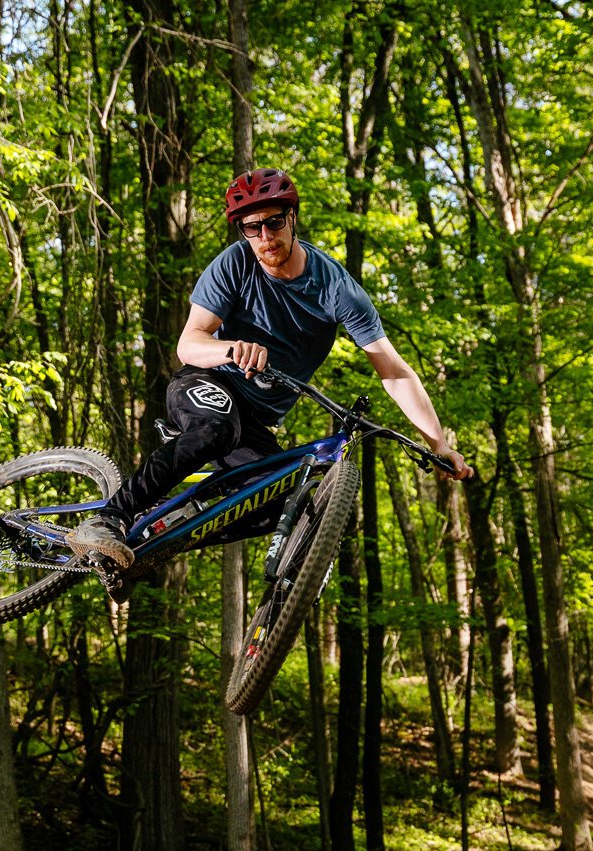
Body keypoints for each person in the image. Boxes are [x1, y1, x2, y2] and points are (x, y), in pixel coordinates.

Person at [66, 167, 472, 568]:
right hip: (205, 381)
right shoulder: (234, 264)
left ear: (292, 218)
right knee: (216, 428)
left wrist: (438, 444)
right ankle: (109, 518)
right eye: (251, 227)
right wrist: (231, 349)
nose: (265, 237)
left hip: (254, 421)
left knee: (276, 502)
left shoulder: (336, 288)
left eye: (274, 222)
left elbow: (395, 373)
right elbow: (189, 344)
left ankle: (147, 548)